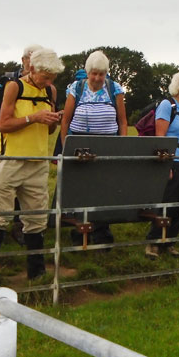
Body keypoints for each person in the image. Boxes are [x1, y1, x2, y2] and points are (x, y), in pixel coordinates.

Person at [0, 48, 63, 280]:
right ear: (32, 68)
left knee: (36, 218)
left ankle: (37, 274)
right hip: (10, 160)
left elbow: (49, 129)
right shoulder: (14, 87)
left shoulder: (50, 91)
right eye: (45, 76)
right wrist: (33, 118)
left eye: (52, 78)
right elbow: (3, 124)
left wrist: (53, 120)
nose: (48, 82)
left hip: (38, 161)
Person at [59, 50, 128, 246]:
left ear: (106, 73)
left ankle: (102, 233)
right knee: (81, 190)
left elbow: (123, 122)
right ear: (87, 72)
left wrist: (121, 147)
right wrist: (66, 147)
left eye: (101, 74)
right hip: (79, 144)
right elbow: (66, 120)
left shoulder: (115, 89)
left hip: (107, 144)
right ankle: (79, 232)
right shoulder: (76, 88)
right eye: (94, 73)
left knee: (104, 189)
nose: (97, 78)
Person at [145, 69, 179, 260]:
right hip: (173, 161)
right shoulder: (168, 106)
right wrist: (165, 166)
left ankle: (170, 242)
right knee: (167, 203)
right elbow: (161, 137)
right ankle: (153, 243)